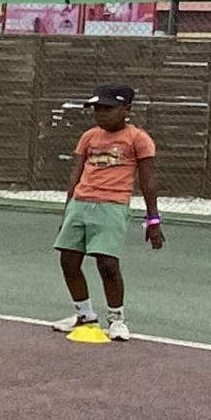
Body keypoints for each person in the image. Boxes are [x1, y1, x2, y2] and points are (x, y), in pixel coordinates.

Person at [51, 82, 164, 340]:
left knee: (107, 264)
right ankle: (84, 315)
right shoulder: (89, 137)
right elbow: (76, 174)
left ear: (127, 109)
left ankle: (116, 319)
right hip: (80, 203)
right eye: (97, 109)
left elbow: (148, 180)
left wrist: (153, 219)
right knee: (68, 260)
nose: (100, 114)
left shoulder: (138, 139)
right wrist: (67, 210)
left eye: (107, 109)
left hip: (112, 206)